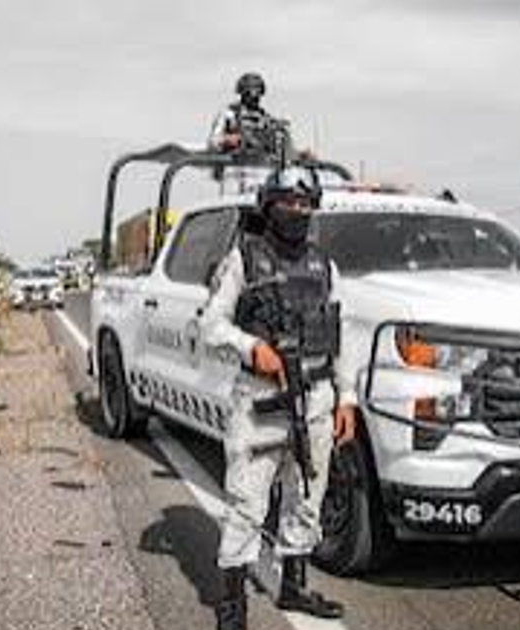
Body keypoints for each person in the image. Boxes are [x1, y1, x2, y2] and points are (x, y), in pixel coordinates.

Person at [200, 168, 358, 630]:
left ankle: (294, 586)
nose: (297, 210)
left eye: (305, 202)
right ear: (268, 206)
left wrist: (346, 398)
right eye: (287, 201)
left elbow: (341, 334)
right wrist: (253, 348)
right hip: (260, 399)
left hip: (317, 398)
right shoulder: (243, 259)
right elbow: (210, 325)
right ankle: (232, 606)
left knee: (306, 495)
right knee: (248, 503)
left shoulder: (323, 266)